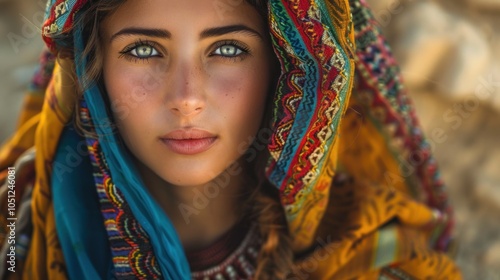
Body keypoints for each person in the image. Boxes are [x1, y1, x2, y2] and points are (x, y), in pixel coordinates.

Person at [0, 0, 461, 279]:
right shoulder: (16, 233)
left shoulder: (376, 260)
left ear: (287, 69)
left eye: (227, 49)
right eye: (142, 50)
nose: (187, 99)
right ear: (90, 68)